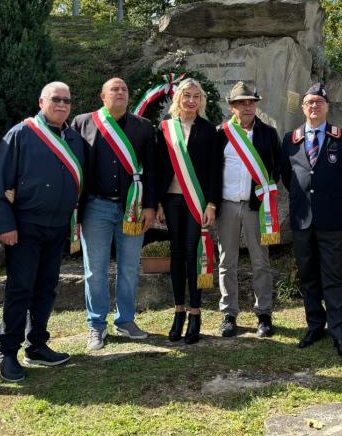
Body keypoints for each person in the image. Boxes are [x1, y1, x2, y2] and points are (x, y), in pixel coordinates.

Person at [0, 81, 88, 382]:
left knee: (46, 287)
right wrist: (5, 225)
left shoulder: (73, 139)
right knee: (20, 289)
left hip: (58, 226)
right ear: (41, 101)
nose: (62, 105)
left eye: (67, 101)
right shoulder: (21, 134)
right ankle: (7, 351)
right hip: (25, 226)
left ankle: (37, 345)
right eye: (56, 99)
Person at [72, 77, 157, 351]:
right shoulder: (83, 122)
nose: (120, 92)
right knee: (94, 270)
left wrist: (150, 206)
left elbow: (152, 170)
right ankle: (96, 325)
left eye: (124, 89)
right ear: (102, 95)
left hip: (131, 207)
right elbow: (73, 165)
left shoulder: (143, 126)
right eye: (114, 89)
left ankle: (126, 320)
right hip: (95, 206)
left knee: (130, 268)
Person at [280, 83, 342, 359]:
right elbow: (286, 177)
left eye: (319, 102)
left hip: (331, 221)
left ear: (327, 107)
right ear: (303, 108)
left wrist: (335, 201)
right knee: (308, 276)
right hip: (302, 221)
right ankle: (315, 325)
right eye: (309, 102)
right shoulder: (290, 140)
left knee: (334, 277)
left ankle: (340, 333)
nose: (314, 106)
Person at [213, 82, 281, 339]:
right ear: (232, 107)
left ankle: (264, 313)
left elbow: (275, 168)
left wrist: (266, 194)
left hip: (256, 207)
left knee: (260, 261)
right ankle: (229, 313)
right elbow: (212, 170)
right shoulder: (221, 133)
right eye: (242, 103)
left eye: (251, 102)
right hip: (227, 205)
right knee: (226, 262)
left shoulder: (268, 133)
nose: (247, 107)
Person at [156, 78, 219, 345]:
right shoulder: (165, 129)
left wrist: (212, 203)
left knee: (193, 253)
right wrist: (157, 202)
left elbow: (216, 170)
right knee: (176, 254)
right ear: (178, 99)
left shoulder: (208, 130)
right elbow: (158, 166)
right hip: (171, 200)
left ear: (201, 101)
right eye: (186, 96)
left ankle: (195, 313)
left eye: (196, 96)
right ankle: (178, 312)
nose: (191, 100)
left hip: (197, 201)